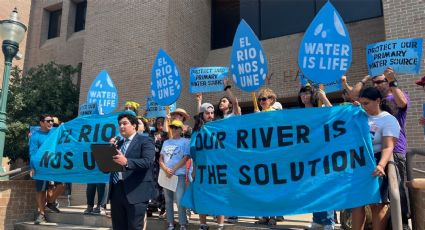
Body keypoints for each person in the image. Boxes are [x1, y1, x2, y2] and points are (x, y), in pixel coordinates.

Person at [353, 67, 410, 228]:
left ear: (377, 101)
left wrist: (381, 165)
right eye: (362, 103)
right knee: (357, 203)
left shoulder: (388, 119)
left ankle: (401, 224)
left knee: (378, 204)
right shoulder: (359, 116)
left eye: (366, 103)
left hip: (377, 163)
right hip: (358, 163)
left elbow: (388, 146)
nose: (363, 106)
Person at [297, 84, 335, 229]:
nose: (304, 96)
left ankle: (329, 221)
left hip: (322, 153)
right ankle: (318, 219)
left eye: (307, 93)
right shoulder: (298, 114)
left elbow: (334, 113)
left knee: (324, 186)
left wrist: (323, 97)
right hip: (307, 155)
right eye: (302, 94)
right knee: (312, 188)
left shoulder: (321, 108)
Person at [109, 112, 155, 230]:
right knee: (119, 227)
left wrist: (127, 162)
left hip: (136, 191)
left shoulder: (145, 140)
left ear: (134, 125)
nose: (121, 126)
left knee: (134, 227)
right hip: (117, 190)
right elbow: (110, 167)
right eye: (120, 124)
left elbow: (148, 162)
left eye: (125, 123)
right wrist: (108, 152)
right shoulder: (117, 143)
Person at [193, 99, 224, 230]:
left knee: (219, 195)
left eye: (212, 113)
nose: (210, 115)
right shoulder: (196, 132)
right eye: (207, 113)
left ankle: (221, 224)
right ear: (202, 115)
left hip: (217, 168)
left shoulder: (218, 128)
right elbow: (194, 152)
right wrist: (194, 169)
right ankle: (203, 224)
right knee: (202, 196)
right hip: (202, 169)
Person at [29, 114, 65, 224]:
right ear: (41, 123)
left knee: (62, 185)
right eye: (48, 121)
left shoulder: (55, 131)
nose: (50, 123)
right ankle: (41, 214)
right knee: (41, 190)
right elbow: (32, 152)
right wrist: (33, 167)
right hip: (41, 166)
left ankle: (50, 202)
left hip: (55, 165)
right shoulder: (35, 136)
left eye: (51, 121)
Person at [159, 120, 191, 230]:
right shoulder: (166, 142)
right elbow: (161, 158)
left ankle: (182, 223)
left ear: (181, 130)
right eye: (172, 127)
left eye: (177, 127)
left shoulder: (185, 141)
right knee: (168, 200)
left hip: (178, 175)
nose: (174, 129)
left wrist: (173, 169)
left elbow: (186, 157)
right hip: (166, 175)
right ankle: (171, 223)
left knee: (179, 200)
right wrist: (165, 169)